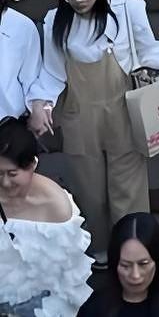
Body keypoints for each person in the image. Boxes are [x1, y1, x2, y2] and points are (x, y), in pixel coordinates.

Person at [31, 0, 159, 257]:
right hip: (79, 116)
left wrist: (149, 71)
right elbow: (52, 73)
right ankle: (100, 250)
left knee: (128, 189)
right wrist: (41, 104)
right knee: (88, 188)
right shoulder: (55, 22)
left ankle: (132, 252)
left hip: (124, 110)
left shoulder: (128, 8)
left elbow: (151, 51)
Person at [0, 115, 93, 317]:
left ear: (32, 164)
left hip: (42, 302)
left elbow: (67, 276)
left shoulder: (56, 206)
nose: (5, 183)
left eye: (12, 174)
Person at [79, 212, 159, 317]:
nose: (135, 275)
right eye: (125, 265)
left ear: (157, 260)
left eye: (143, 264)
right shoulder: (94, 306)